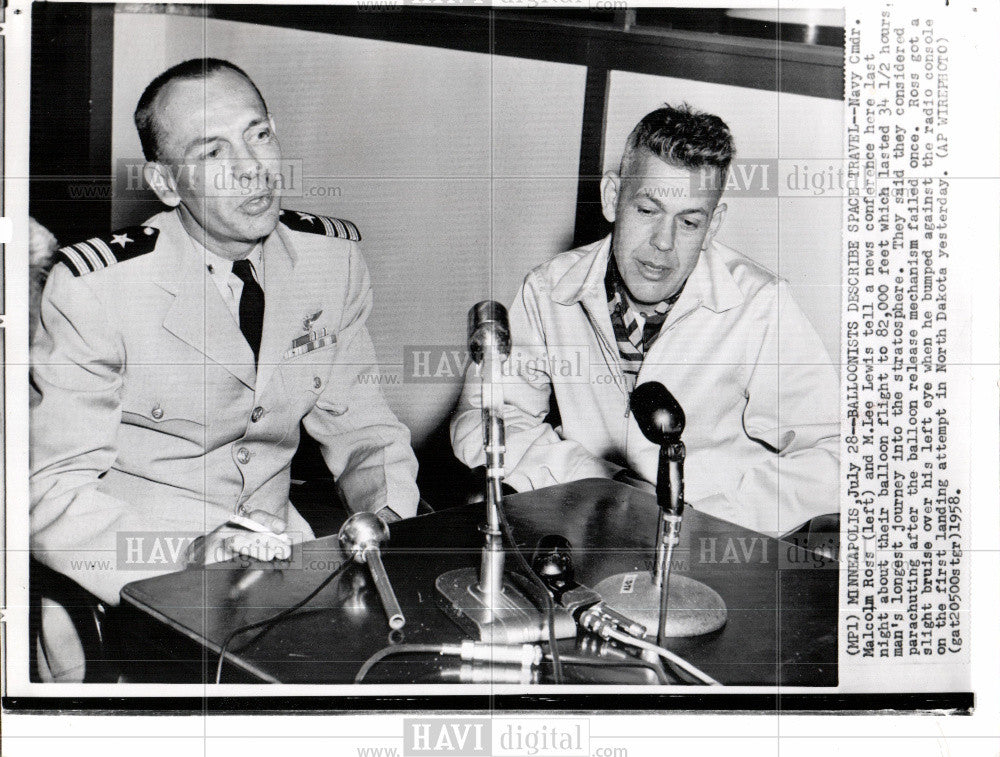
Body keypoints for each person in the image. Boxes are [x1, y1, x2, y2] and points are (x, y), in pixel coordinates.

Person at [30, 58, 419, 681]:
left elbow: (366, 433)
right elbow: (45, 492)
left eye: (259, 135)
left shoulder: (330, 262)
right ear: (164, 183)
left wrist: (385, 526)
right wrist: (181, 556)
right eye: (213, 152)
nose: (251, 168)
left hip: (282, 575)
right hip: (131, 593)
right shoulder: (98, 289)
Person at [451, 104, 839, 537]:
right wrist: (597, 483)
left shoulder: (761, 305)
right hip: (590, 531)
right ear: (613, 196)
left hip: (717, 546)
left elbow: (836, 454)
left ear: (713, 226)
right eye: (648, 211)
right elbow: (486, 417)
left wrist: (712, 515)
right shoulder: (549, 289)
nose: (663, 244)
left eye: (689, 222)